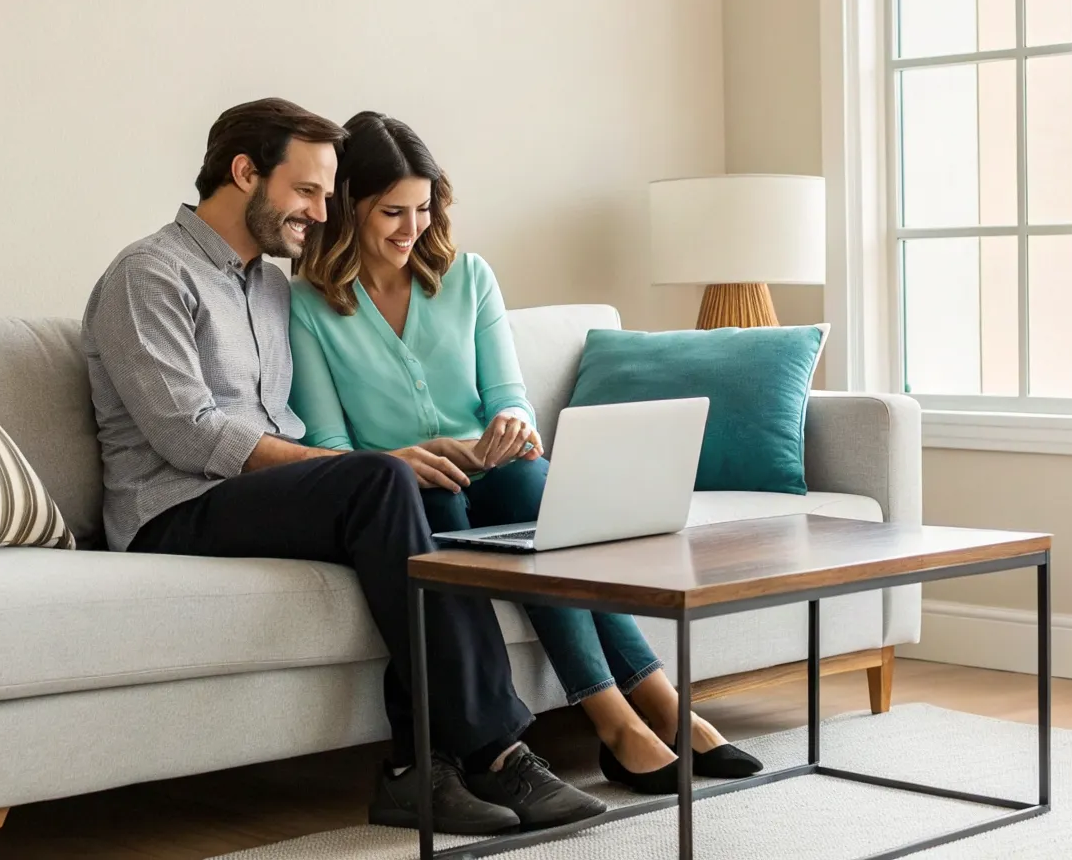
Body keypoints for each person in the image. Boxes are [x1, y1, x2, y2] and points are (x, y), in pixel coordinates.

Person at [81, 98, 604, 835]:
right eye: (307, 192)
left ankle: (420, 770)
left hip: (261, 493)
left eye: (328, 195)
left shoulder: (266, 283)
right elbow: (188, 436)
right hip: (174, 508)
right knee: (384, 479)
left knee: (420, 511)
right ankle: (497, 749)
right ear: (244, 173)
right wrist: (355, 467)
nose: (323, 212)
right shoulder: (150, 275)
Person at [285, 111, 763, 794]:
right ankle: (617, 723)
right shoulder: (307, 304)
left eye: (423, 208)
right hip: (407, 485)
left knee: (534, 494)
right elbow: (331, 446)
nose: (411, 227)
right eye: (392, 211)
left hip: (497, 473)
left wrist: (510, 424)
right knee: (448, 496)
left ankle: (661, 703)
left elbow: (509, 396)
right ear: (349, 206)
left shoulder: (469, 277)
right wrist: (416, 453)